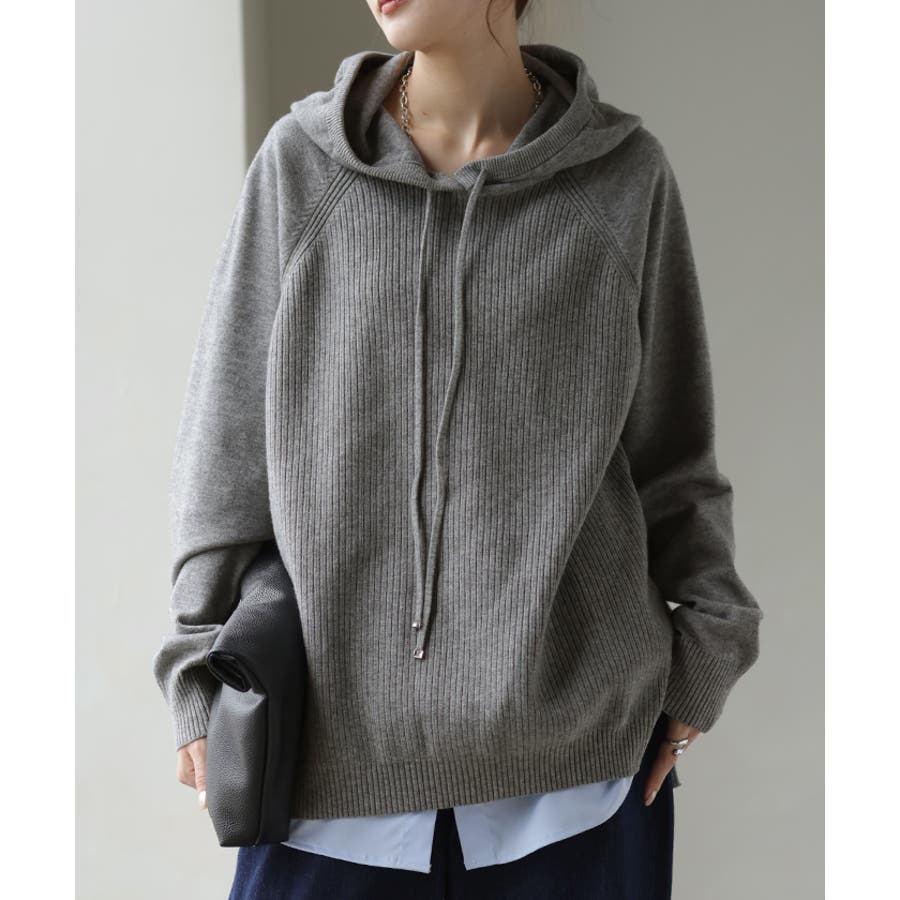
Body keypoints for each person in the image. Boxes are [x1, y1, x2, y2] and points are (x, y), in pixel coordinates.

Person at [151, 0, 764, 896]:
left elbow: (673, 454)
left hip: (576, 780)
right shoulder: (301, 168)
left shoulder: (623, 178)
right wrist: (196, 661)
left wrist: (707, 648)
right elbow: (225, 442)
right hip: (329, 776)